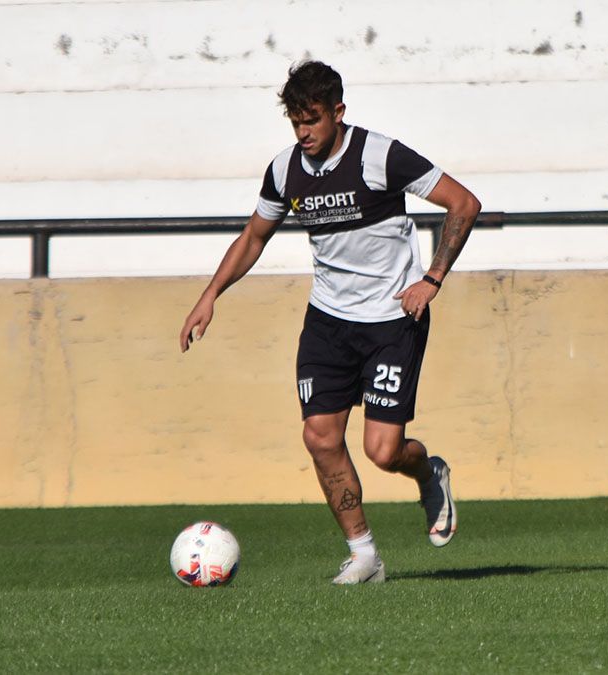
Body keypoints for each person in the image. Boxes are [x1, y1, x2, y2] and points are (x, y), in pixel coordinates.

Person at [179, 61, 481, 584]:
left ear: (338, 112)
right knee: (320, 437)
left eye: (312, 121)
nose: (304, 134)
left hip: (392, 319)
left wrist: (431, 279)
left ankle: (428, 471)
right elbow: (254, 237)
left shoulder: (379, 155)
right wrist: (210, 296)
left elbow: (464, 203)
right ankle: (364, 554)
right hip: (328, 323)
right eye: (296, 123)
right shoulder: (285, 169)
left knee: (383, 452)